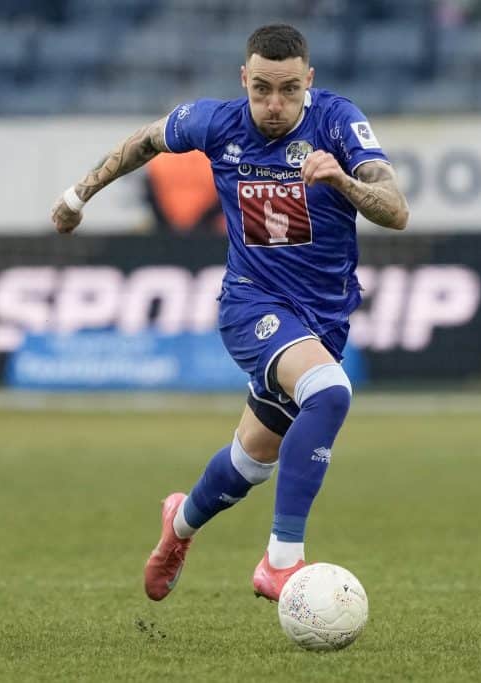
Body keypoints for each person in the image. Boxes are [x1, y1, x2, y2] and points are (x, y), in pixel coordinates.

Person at [51, 24, 409, 602]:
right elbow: (146, 140)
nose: (274, 104)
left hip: (321, 319)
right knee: (329, 391)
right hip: (251, 303)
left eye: (289, 90)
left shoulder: (338, 123)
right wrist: (77, 196)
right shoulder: (216, 123)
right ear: (244, 79)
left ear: (309, 81)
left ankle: (178, 525)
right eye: (261, 88)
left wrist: (341, 180)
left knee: (250, 462)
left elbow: (396, 210)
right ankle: (281, 561)